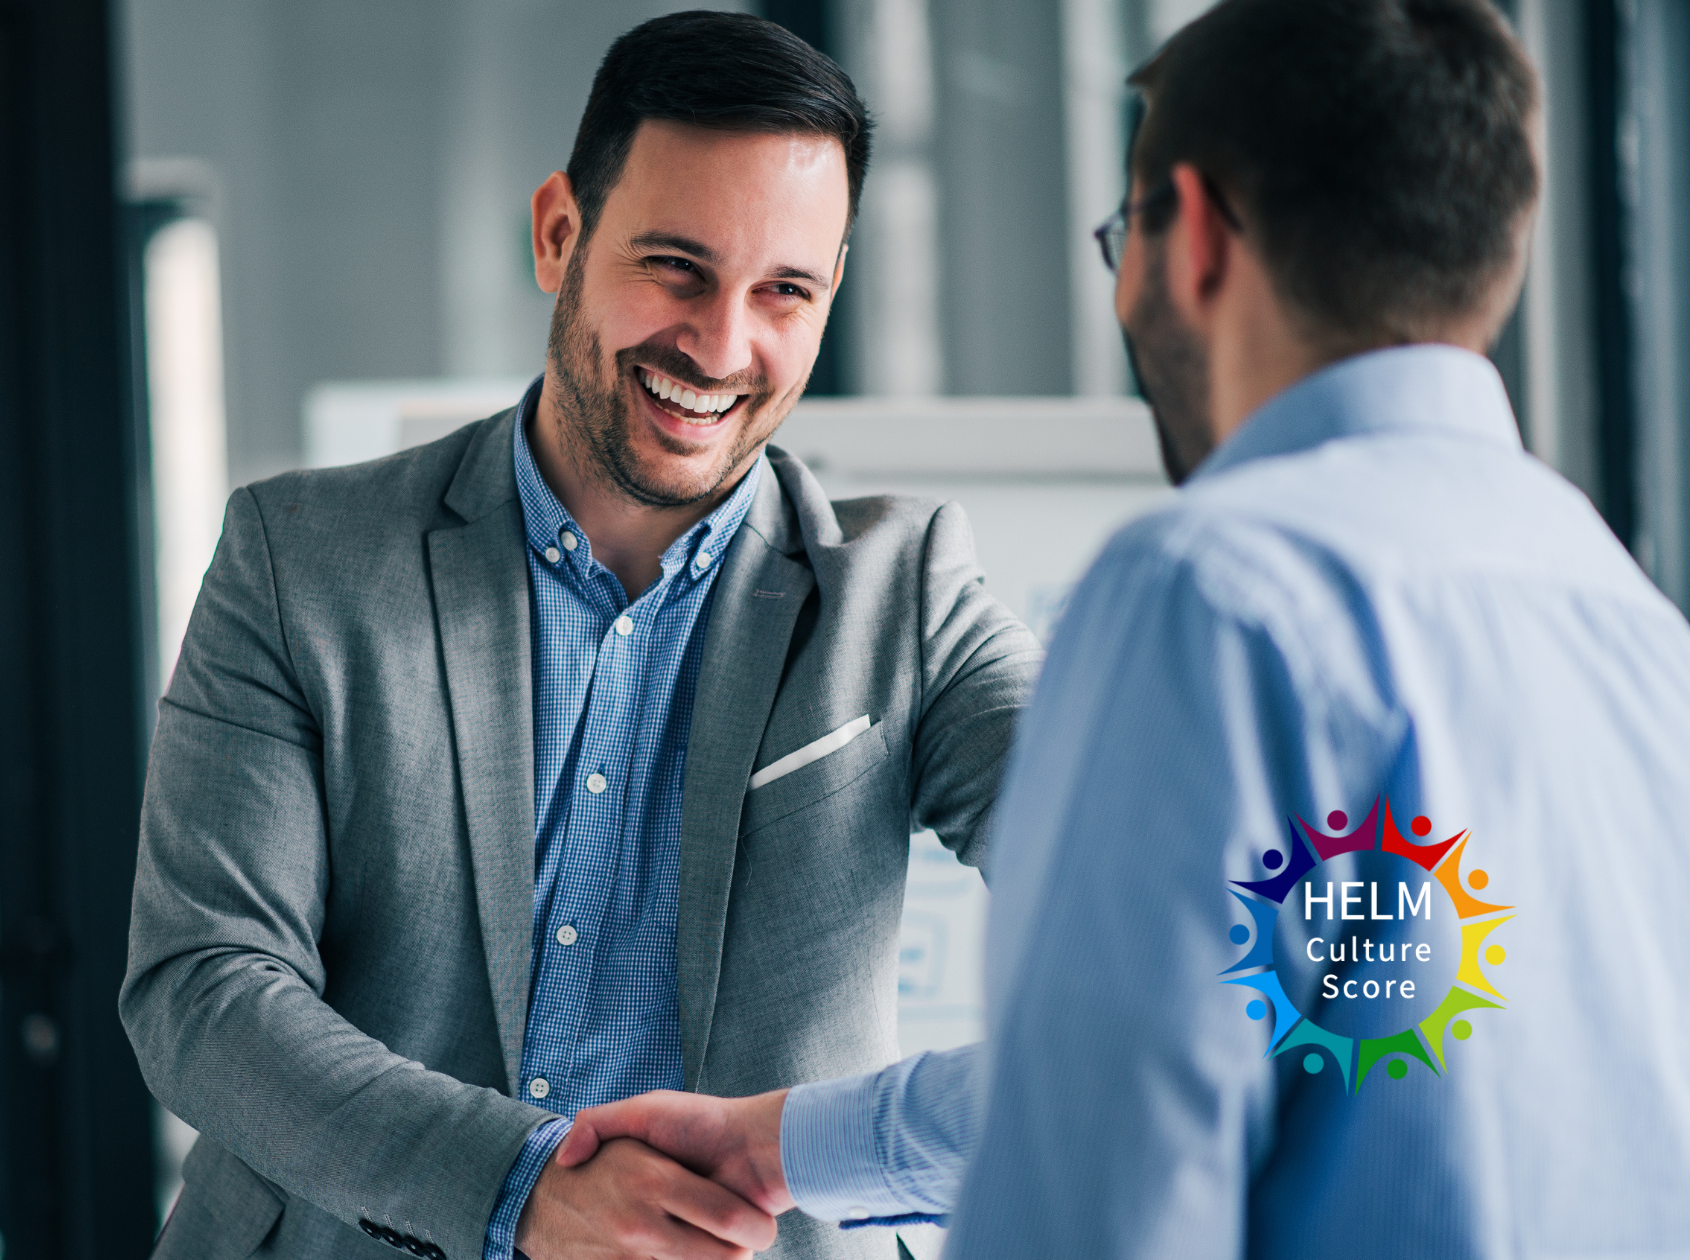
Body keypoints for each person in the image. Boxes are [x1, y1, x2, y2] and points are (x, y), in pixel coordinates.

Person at [558, 1, 1690, 1256]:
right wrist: (789, 1143)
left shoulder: (1210, 592)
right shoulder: (1634, 629)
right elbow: (1273, 1026)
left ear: (1190, 233)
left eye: (1120, 237)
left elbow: (1104, 1176)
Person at [119, 11, 1043, 1260]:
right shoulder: (301, 562)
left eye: (784, 291)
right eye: (675, 268)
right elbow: (204, 989)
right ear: (560, 233)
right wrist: (518, 1190)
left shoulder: (905, 593)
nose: (720, 347)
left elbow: (1141, 883)